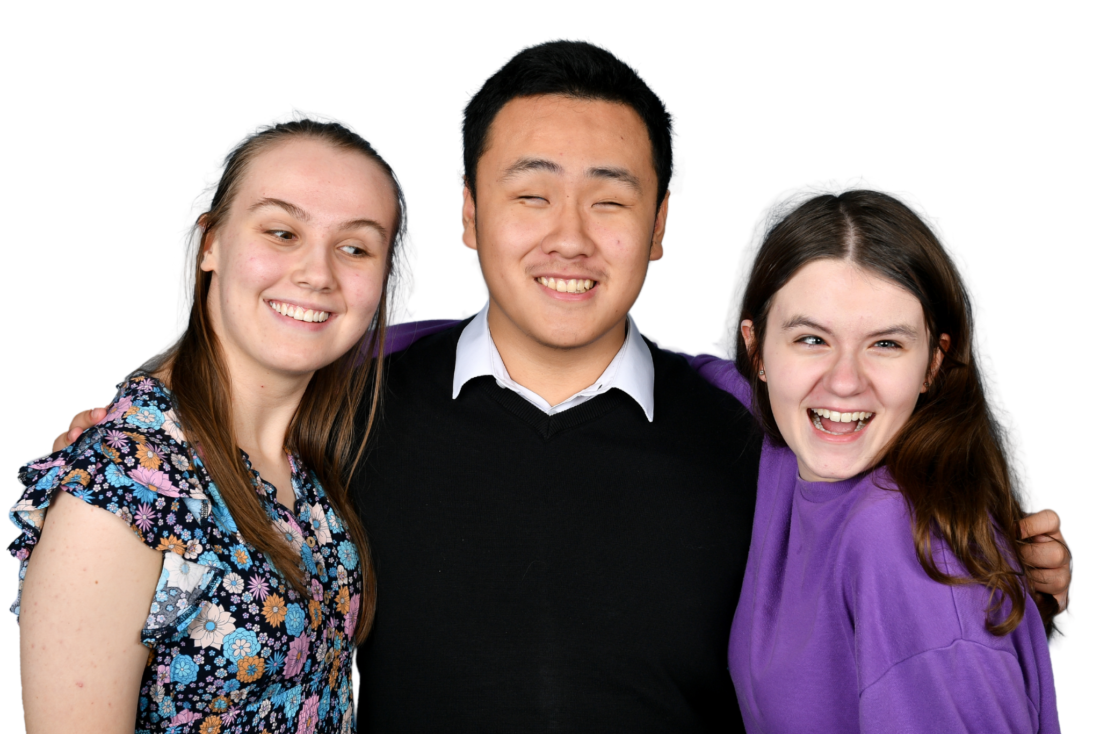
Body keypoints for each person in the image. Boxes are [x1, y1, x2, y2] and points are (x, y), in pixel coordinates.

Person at [50, 43, 1072, 732]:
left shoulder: (750, 426)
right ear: (467, 211)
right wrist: (142, 416)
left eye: (610, 198)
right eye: (529, 193)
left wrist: (991, 547)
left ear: (661, 222)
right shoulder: (351, 399)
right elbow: (244, 376)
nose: (568, 238)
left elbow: (882, 505)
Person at [11, 119, 406, 733]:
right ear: (211, 244)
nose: (318, 274)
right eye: (282, 232)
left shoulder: (315, 455)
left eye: (355, 247)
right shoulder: (123, 486)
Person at [693, 190, 1060, 731]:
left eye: (885, 344)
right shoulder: (782, 440)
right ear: (758, 352)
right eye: (812, 339)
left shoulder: (900, 544)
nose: (844, 382)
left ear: (932, 364)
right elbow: (663, 369)